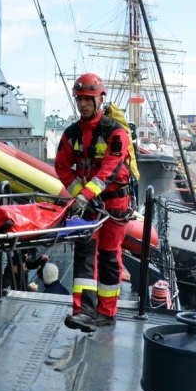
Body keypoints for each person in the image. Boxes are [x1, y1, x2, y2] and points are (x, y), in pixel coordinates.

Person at [54, 73, 131, 333]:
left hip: (114, 205)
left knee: (109, 256)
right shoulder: (71, 134)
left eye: (88, 98)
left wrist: (86, 194)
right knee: (85, 254)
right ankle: (83, 312)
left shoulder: (116, 132)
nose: (83, 104)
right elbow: (63, 167)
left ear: (100, 98)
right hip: (89, 206)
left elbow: (111, 167)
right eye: (79, 99)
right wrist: (80, 194)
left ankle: (106, 312)